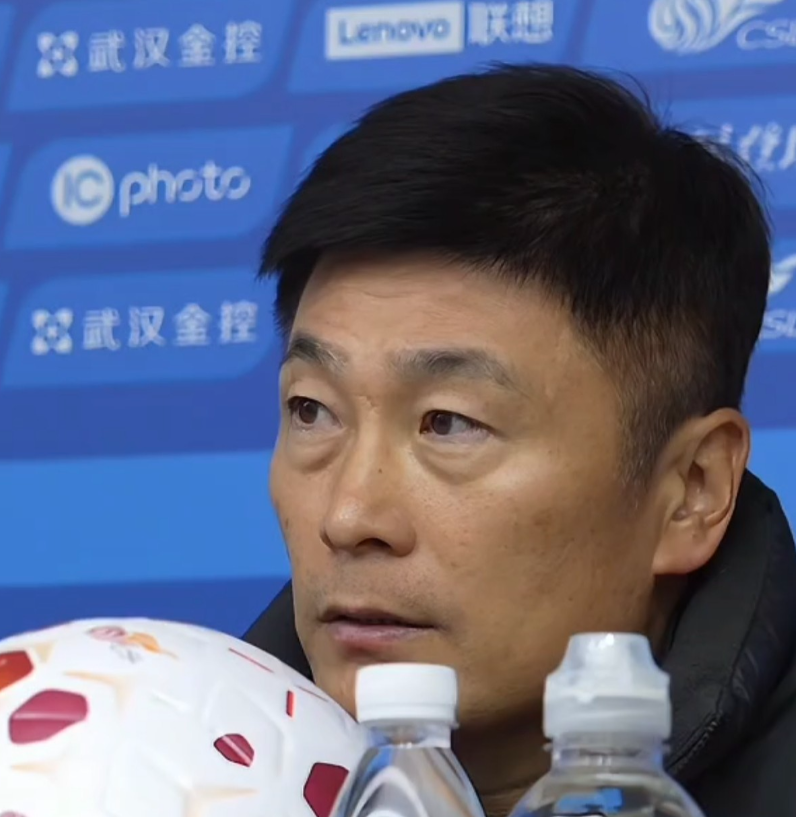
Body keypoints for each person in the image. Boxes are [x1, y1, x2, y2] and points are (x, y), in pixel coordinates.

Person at [244, 64, 796, 816]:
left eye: (448, 423)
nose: (349, 516)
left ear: (691, 491)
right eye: (312, 410)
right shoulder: (164, 772)